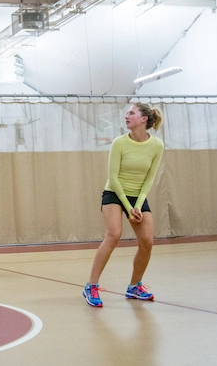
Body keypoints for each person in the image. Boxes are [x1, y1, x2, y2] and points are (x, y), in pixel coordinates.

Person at [84, 103, 164, 307]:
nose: (126, 116)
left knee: (147, 241)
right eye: (127, 113)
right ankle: (91, 286)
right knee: (114, 235)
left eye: (131, 113)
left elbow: (149, 179)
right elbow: (113, 177)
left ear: (144, 119)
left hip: (138, 196)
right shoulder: (119, 142)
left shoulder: (157, 145)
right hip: (114, 193)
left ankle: (134, 286)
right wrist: (129, 209)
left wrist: (136, 205)